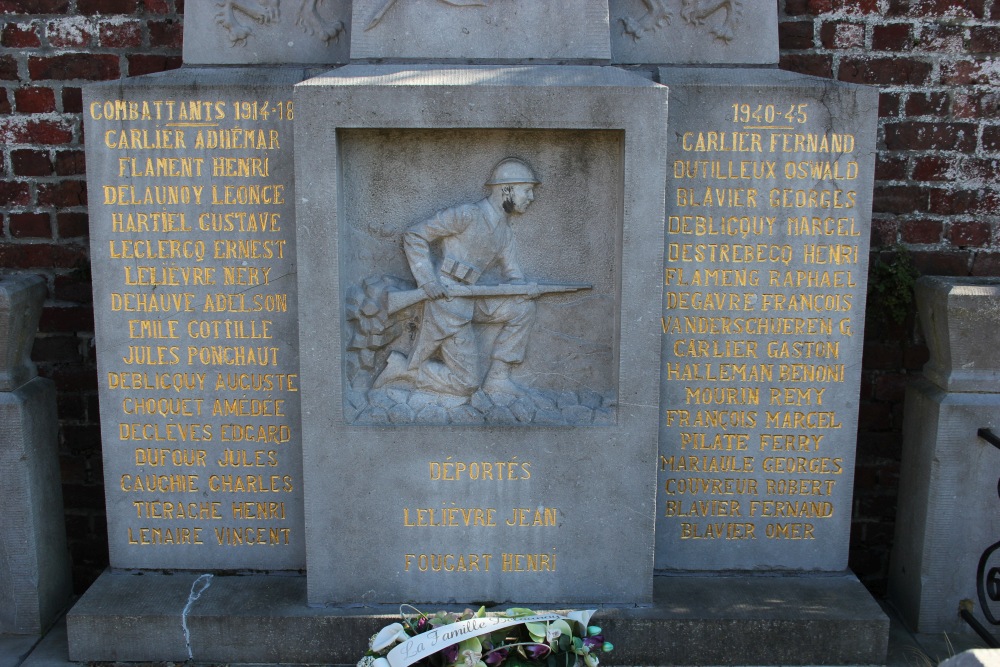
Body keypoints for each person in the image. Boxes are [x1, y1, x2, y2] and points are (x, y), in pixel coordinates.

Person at [374, 158, 540, 397]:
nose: (530, 198)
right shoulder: (467, 214)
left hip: (473, 297)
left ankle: (498, 379)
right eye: (527, 190)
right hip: (448, 301)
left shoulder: (505, 231)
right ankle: (403, 370)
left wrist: (525, 288)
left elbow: (514, 275)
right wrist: (427, 281)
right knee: (466, 385)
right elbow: (414, 235)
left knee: (523, 306)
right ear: (507, 189)